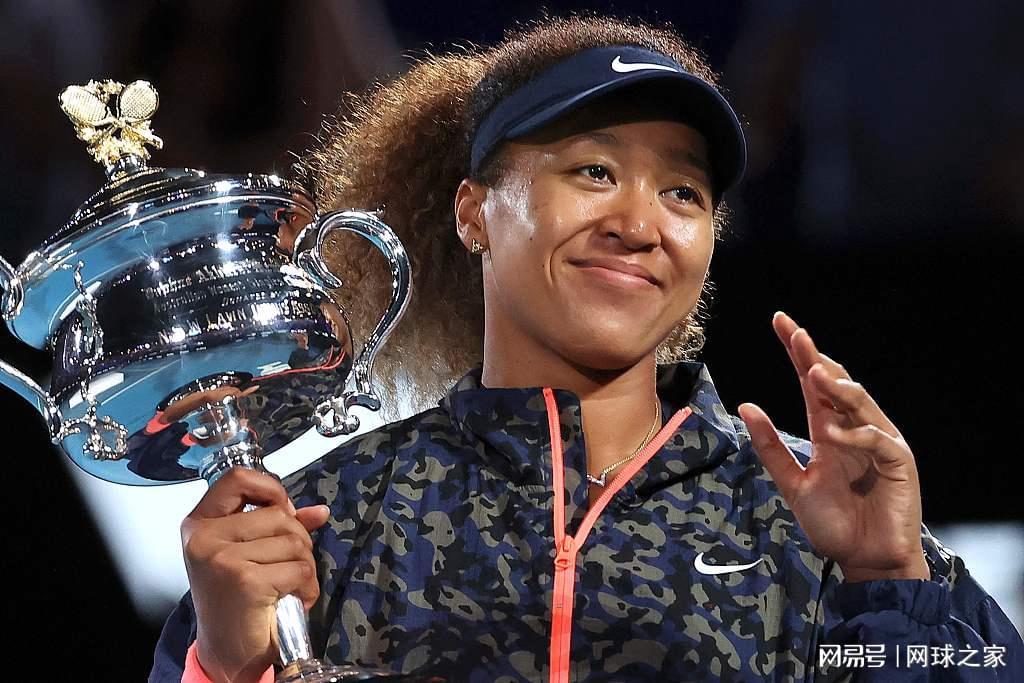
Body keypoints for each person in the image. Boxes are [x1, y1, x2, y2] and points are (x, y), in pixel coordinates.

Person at [149, 15, 1024, 683]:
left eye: (683, 192)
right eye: (594, 172)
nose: (639, 223)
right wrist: (224, 666)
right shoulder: (326, 526)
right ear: (474, 211)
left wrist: (888, 583)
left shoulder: (828, 527)